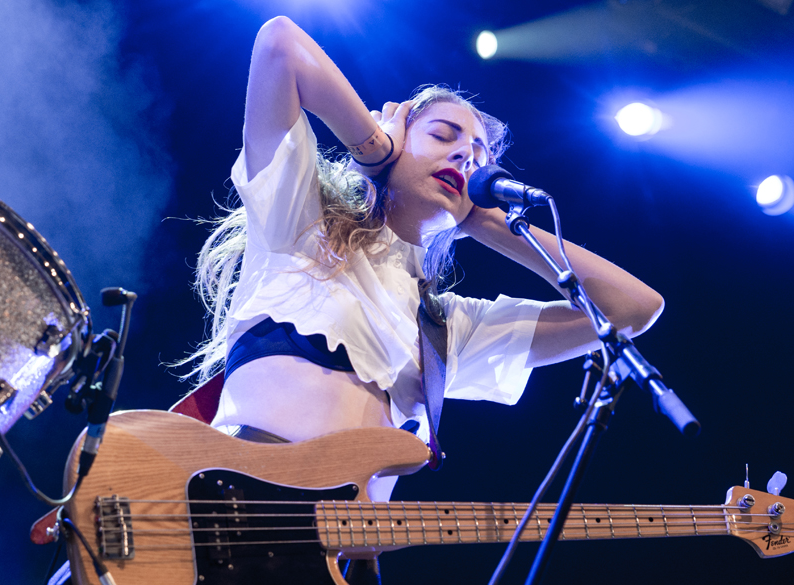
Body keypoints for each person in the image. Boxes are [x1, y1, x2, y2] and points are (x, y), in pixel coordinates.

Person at [184, 16, 664, 503]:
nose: (465, 157)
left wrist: (488, 223)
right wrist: (374, 148)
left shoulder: (445, 327)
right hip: (231, 519)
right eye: (443, 135)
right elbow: (280, 43)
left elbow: (633, 309)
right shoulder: (301, 223)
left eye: (478, 155)